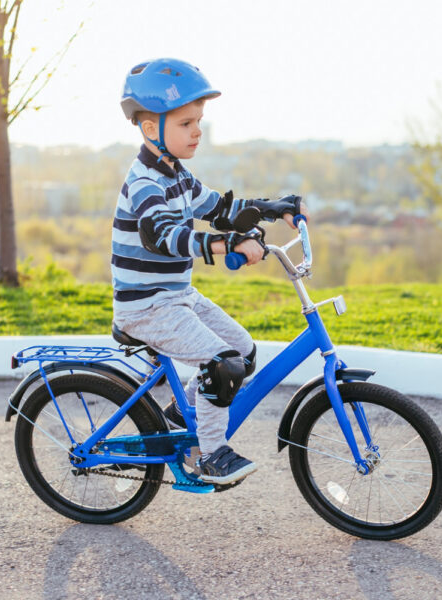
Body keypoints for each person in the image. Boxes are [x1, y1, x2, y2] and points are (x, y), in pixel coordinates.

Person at [113, 58, 308, 486]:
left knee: (244, 352)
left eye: (198, 120)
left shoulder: (178, 175)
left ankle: (177, 420)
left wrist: (275, 208)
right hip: (145, 307)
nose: (197, 131)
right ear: (151, 130)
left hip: (175, 296)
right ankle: (210, 454)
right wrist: (225, 245)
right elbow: (162, 235)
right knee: (223, 366)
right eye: (186, 123)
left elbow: (220, 209)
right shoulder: (145, 182)